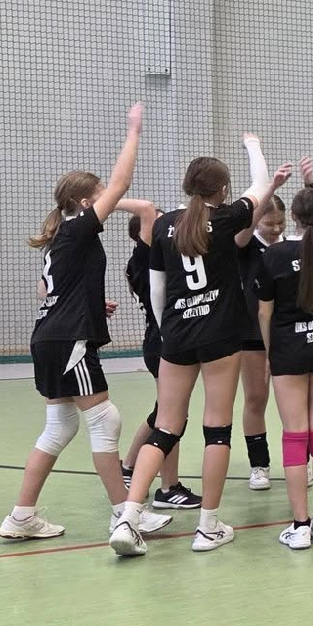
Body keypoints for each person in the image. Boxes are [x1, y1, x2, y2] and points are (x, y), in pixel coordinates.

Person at [110, 135, 293, 557]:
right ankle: (208, 527)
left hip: (176, 336)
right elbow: (261, 184)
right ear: (223, 189)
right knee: (217, 429)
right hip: (220, 336)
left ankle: (128, 517)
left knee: (165, 427)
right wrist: (253, 146)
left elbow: (158, 291)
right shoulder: (226, 218)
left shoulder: (164, 225)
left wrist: (168, 332)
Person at [0, 103, 175, 541]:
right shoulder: (78, 226)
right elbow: (121, 184)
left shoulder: (62, 235)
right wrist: (134, 131)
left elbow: (46, 290)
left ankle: (21, 516)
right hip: (68, 340)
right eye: (100, 196)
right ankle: (125, 514)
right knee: (104, 420)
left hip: (51, 336)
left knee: (60, 426)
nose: (108, 200)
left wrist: (93, 305)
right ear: (84, 203)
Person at [259, 168, 313, 549]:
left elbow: (264, 312)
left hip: (288, 351)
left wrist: (269, 353)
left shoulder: (275, 255)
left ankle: (299, 526)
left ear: (291, 216)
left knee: (295, 435)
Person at [121, 212, 202, 511]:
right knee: (172, 418)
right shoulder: (144, 258)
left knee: (162, 413)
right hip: (163, 344)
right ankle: (169, 488)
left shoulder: (143, 259)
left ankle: (128, 466)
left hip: (159, 342)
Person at [235, 194, 284, 491]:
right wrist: (267, 190)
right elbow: (242, 235)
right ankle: (259, 465)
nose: (276, 229)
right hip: (252, 333)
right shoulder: (244, 245)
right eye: (269, 223)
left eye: (281, 223)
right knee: (255, 397)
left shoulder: (290, 247)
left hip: (288, 333)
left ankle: (301, 462)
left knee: (294, 402)